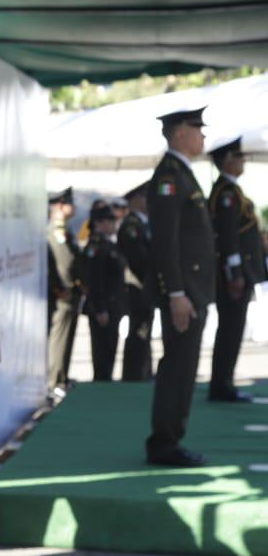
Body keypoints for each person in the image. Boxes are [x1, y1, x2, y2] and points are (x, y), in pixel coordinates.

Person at [146, 107, 216, 467]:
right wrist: (176, 293)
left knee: (185, 368)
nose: (203, 137)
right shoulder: (169, 178)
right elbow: (166, 242)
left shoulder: (183, 174)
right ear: (179, 135)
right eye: (197, 130)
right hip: (183, 293)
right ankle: (164, 443)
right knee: (178, 367)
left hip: (193, 290)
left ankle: (171, 438)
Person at [207, 136, 264, 402]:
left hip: (241, 271)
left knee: (233, 328)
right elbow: (228, 237)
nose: (242, 161)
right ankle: (221, 384)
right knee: (230, 328)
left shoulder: (231, 190)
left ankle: (224, 381)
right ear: (227, 161)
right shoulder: (226, 193)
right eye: (238, 157)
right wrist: (235, 274)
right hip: (233, 275)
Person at [82, 204, 127, 382]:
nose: (113, 224)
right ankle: (101, 383)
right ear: (98, 223)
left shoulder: (108, 244)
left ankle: (105, 380)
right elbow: (95, 281)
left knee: (110, 349)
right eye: (109, 220)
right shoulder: (96, 247)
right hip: (104, 306)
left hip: (113, 304)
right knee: (102, 350)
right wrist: (100, 308)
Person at [117, 181, 154, 381]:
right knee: (138, 331)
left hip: (145, 286)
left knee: (144, 330)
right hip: (136, 286)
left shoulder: (142, 224)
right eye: (144, 197)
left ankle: (144, 370)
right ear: (135, 200)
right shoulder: (131, 227)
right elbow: (138, 260)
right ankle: (134, 373)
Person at [47, 187, 81, 396]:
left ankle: (62, 376)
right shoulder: (56, 230)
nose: (73, 207)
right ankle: (55, 380)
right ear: (60, 206)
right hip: (64, 292)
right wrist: (68, 286)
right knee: (60, 337)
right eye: (69, 202)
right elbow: (65, 262)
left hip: (71, 291)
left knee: (67, 336)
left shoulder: (64, 229)